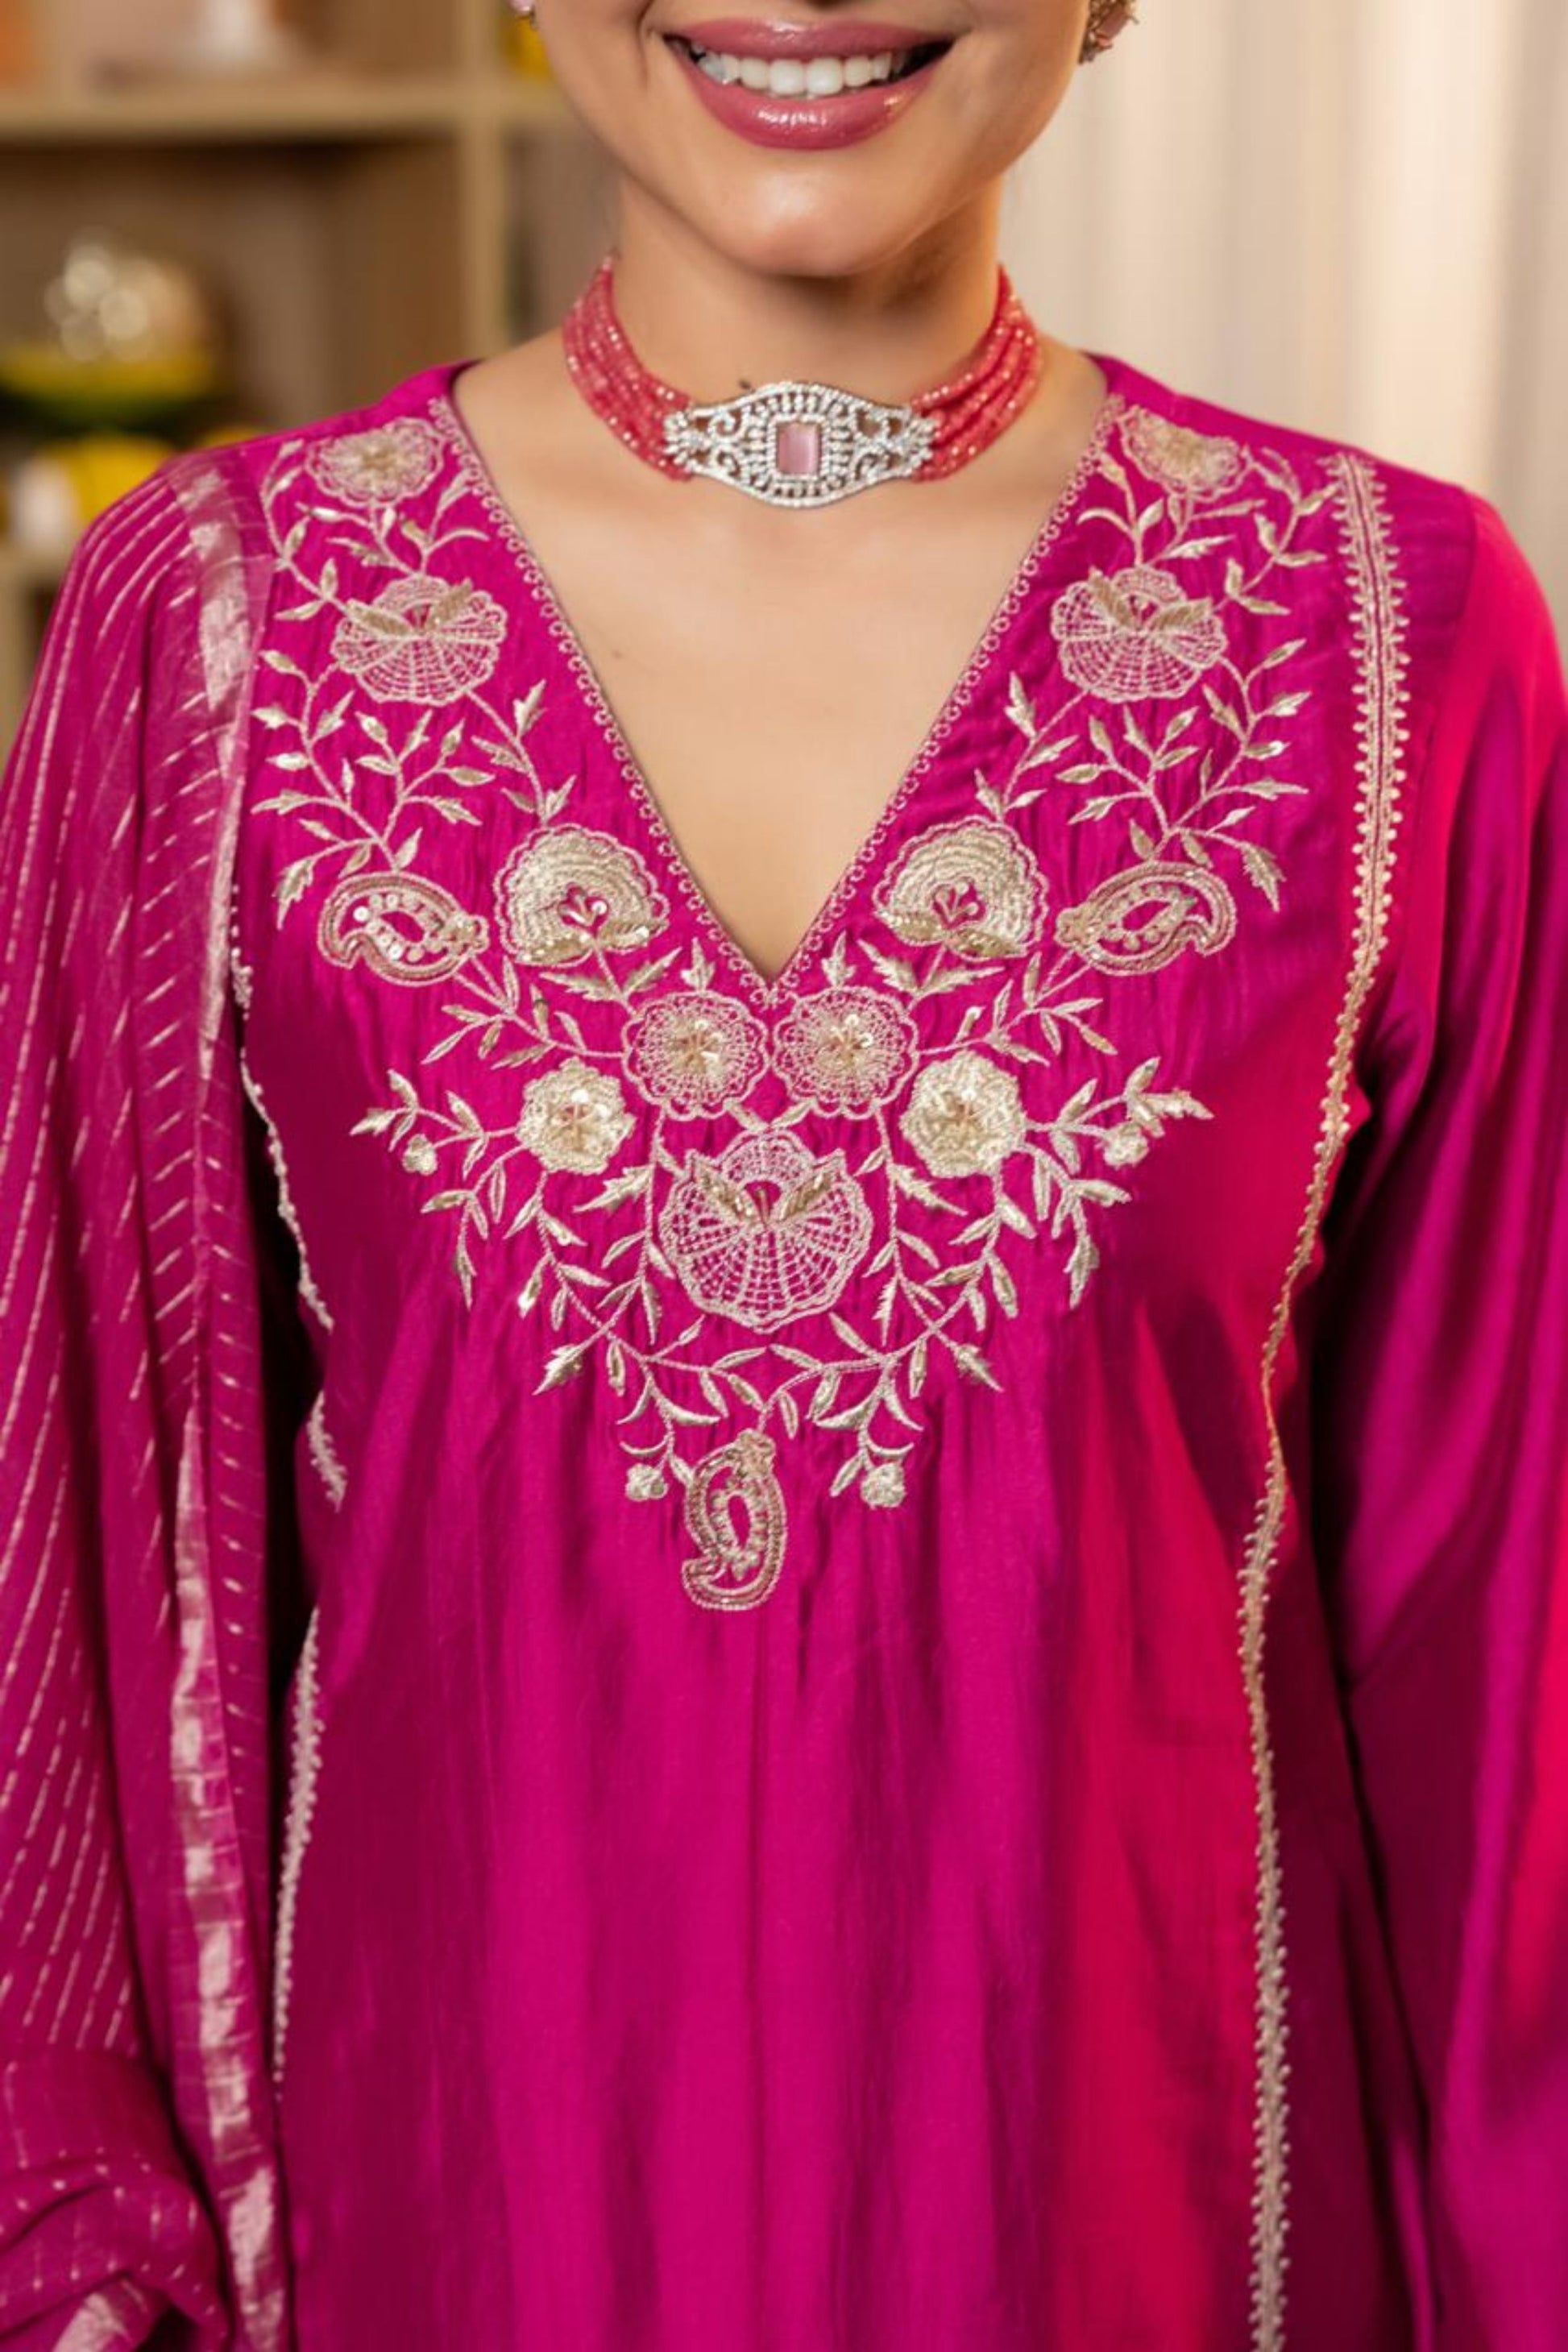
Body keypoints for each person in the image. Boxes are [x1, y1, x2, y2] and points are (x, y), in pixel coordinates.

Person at [2, 1, 1565, 2344]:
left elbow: (1507, 1650)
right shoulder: (221, 626)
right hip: (450, 2231)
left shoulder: (1389, 636)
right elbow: (70, 1588)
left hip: (1139, 2245)